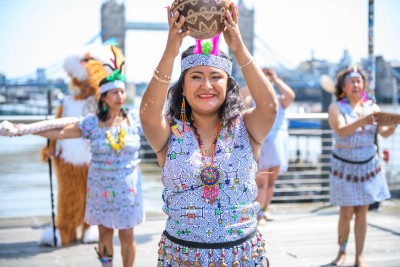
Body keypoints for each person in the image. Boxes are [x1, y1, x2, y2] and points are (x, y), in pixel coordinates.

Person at [140, 3, 278, 266]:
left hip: (241, 257)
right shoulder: (170, 132)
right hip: (183, 258)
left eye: (216, 76)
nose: (206, 86)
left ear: (228, 85)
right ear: (182, 85)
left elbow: (270, 107)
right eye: (196, 77)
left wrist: (238, 47)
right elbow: (147, 114)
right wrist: (171, 50)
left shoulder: (245, 127)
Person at [0, 46, 144, 267]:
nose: (120, 96)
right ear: (103, 97)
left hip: (128, 190)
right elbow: (59, 131)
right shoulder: (92, 122)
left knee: (127, 236)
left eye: (122, 92)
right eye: (114, 92)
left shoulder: (134, 119)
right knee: (105, 235)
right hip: (100, 190)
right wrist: (22, 129)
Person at [328, 65, 397, 267]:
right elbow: (341, 129)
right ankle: (342, 251)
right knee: (346, 212)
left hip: (368, 166)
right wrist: (363, 121)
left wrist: (393, 123)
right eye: (352, 81)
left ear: (364, 85)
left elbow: (384, 133)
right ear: (343, 86)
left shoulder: (372, 107)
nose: (356, 84)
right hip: (344, 167)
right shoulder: (336, 107)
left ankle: (359, 256)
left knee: (362, 212)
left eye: (359, 81)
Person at [39, 45, 104, 247]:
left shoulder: (101, 101)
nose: (83, 88)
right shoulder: (66, 103)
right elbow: (56, 126)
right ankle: (64, 230)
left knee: (93, 195)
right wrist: (50, 147)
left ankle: (91, 226)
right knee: (67, 196)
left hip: (93, 157)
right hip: (66, 157)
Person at [242, 68, 295, 223]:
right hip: (263, 143)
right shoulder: (252, 99)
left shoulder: (279, 99)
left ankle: (265, 211)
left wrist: (275, 79)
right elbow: (242, 95)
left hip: (279, 143)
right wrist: (255, 79)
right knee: (261, 181)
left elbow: (291, 95)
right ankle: (258, 214)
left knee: (272, 181)